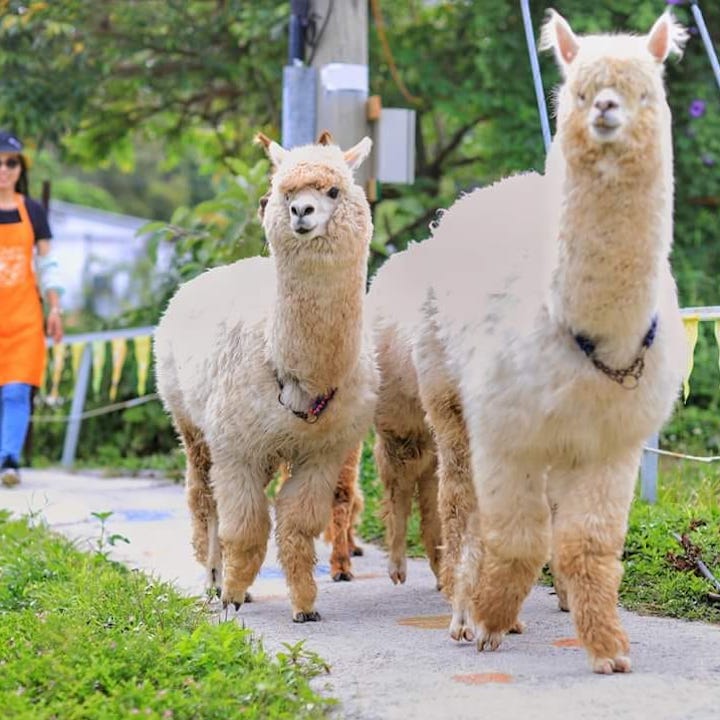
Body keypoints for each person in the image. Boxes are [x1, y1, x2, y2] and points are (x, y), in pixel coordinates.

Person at [0, 131, 63, 487]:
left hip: (24, 317)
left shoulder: (32, 211)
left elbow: (48, 264)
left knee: (16, 390)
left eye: (11, 162)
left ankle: (9, 460)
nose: (4, 170)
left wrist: (54, 309)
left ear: (19, 168)